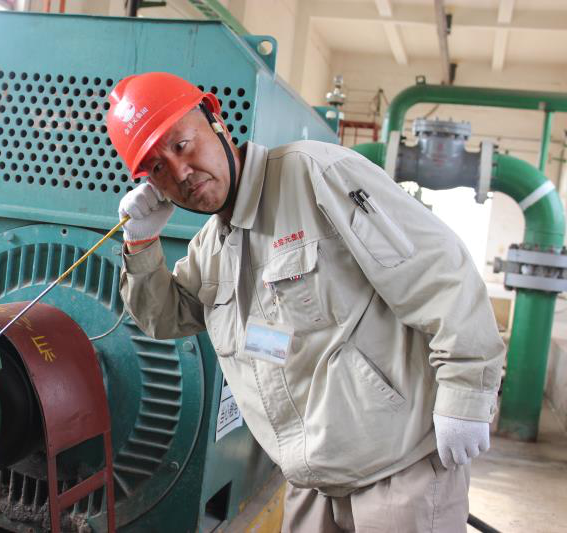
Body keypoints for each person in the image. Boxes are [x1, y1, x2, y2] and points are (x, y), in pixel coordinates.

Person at [106, 71, 505, 532]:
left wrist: (466, 393)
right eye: (157, 168)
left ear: (215, 120)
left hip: (399, 474)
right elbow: (165, 318)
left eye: (181, 145)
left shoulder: (317, 175)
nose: (180, 173)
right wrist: (141, 242)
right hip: (311, 485)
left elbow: (439, 275)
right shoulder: (210, 249)